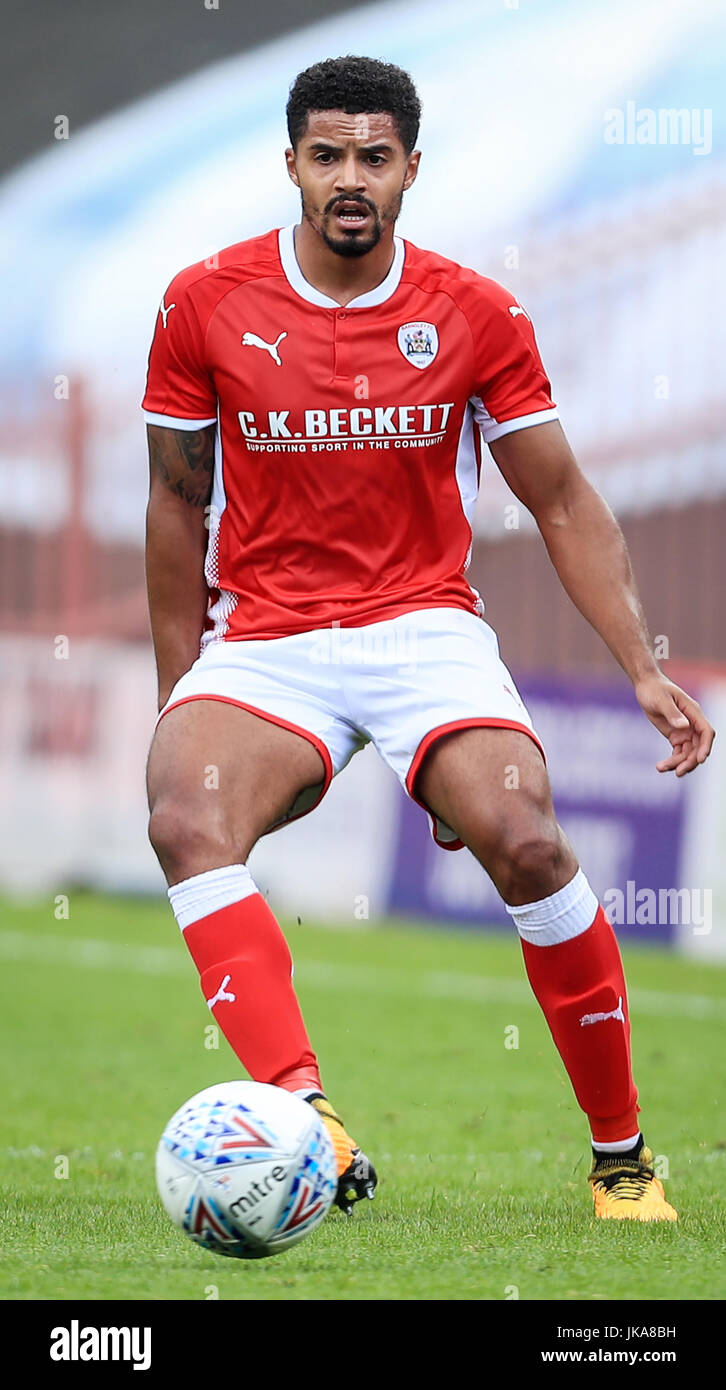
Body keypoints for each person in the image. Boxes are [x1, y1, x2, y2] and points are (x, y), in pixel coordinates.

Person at [142, 55, 714, 1220]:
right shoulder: (202, 301)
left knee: (527, 839)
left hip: (422, 630)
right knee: (184, 816)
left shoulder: (477, 311)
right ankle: (308, 1116)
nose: (350, 179)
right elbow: (173, 500)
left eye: (374, 156)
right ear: (292, 163)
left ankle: (623, 1162)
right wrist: (177, 693)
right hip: (267, 641)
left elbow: (560, 498)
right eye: (327, 155)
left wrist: (642, 667)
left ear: (410, 167)